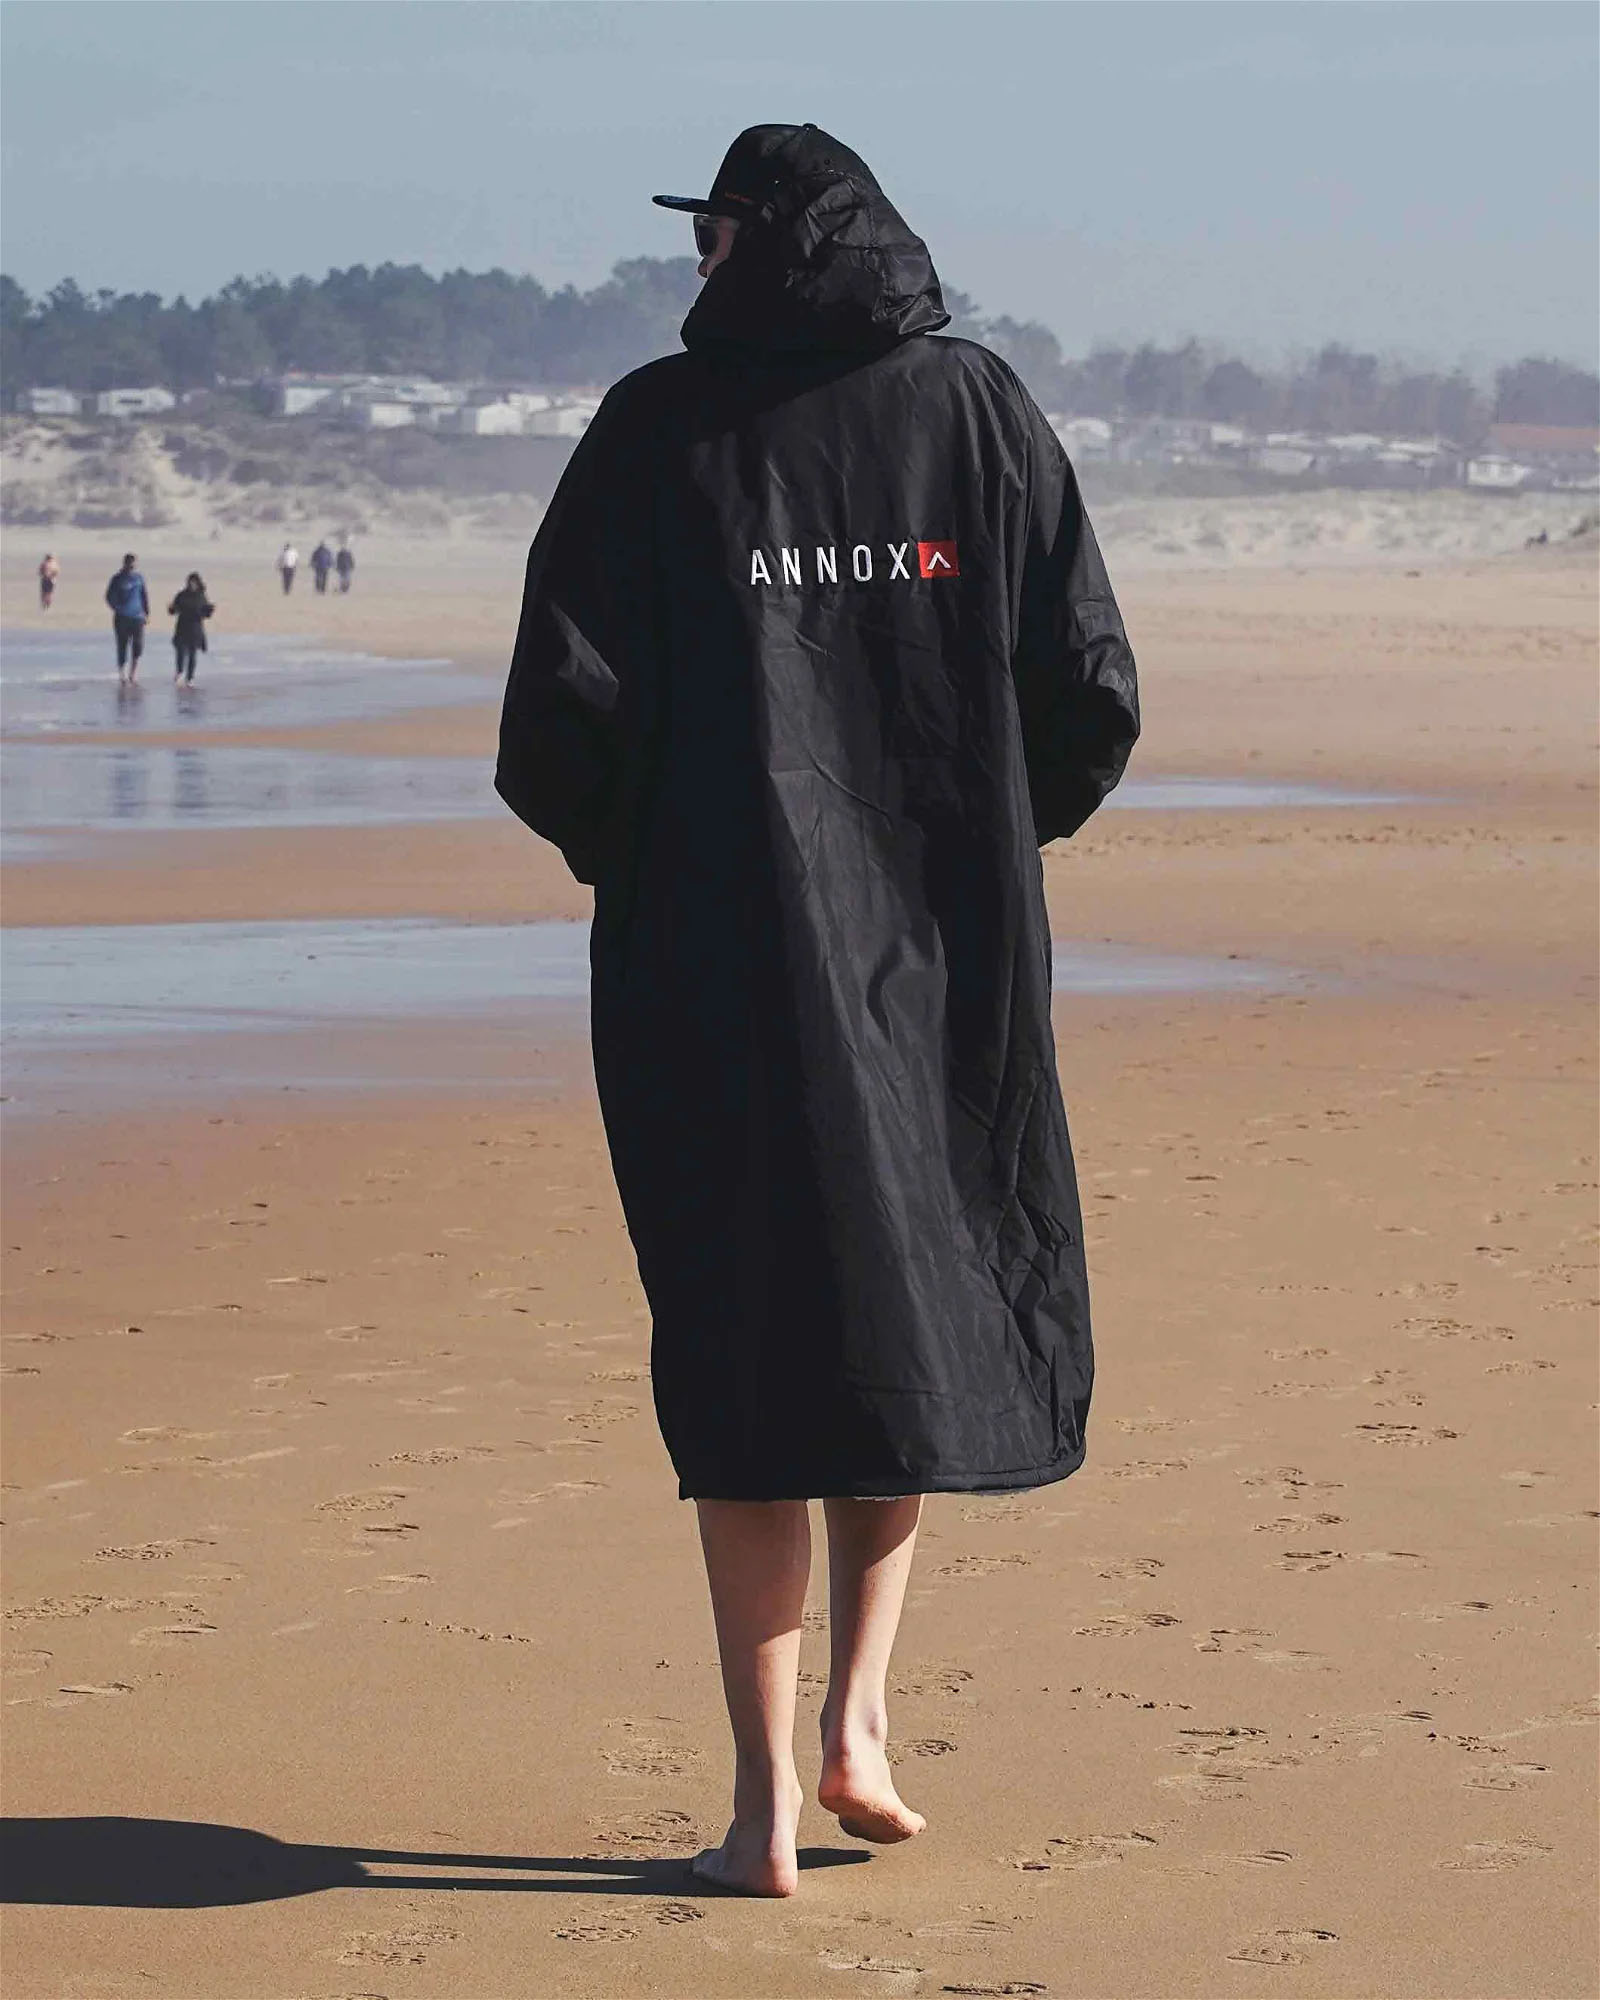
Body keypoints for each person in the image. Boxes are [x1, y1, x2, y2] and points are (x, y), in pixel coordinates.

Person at [496, 124, 1139, 1898]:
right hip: (944, 964)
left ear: (765, 241)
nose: (694, 262)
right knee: (902, 1309)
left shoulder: (656, 432)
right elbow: (1089, 687)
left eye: (708, 233)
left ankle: (765, 1800)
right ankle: (858, 1719)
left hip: (710, 969)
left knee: (747, 1349)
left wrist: (650, 855)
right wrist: (971, 841)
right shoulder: (978, 412)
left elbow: (556, 723)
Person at [104, 552, 150, 681]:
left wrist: (146, 613)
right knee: (122, 645)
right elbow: (109, 597)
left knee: (138, 645)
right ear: (125, 564)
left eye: (134, 564)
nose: (132, 566)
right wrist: (117, 608)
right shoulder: (117, 579)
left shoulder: (139, 578)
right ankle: (122, 672)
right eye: (130, 564)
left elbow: (144, 596)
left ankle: (133, 672)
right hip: (122, 617)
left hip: (138, 617)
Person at [168, 572, 214, 683]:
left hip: (195, 628)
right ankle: (179, 672)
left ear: (197, 583)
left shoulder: (201, 596)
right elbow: (174, 610)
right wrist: (171, 609)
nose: (191, 584)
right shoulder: (181, 595)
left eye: (193, 582)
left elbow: (205, 614)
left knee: (192, 654)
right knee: (180, 652)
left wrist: (209, 610)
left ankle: (190, 678)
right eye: (189, 582)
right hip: (182, 627)